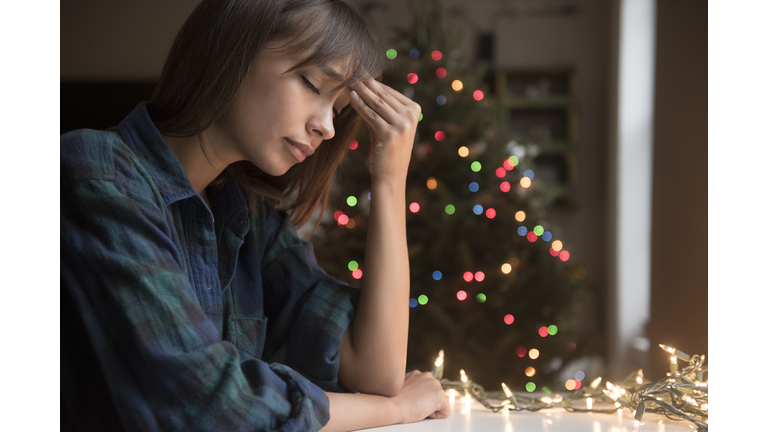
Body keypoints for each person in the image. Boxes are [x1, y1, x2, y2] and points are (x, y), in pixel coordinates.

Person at [60, 0, 450, 430]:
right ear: (233, 49)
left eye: (338, 109)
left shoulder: (251, 218)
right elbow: (206, 402)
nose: (328, 127)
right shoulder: (97, 173)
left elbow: (376, 371)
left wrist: (390, 182)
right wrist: (395, 411)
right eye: (312, 83)